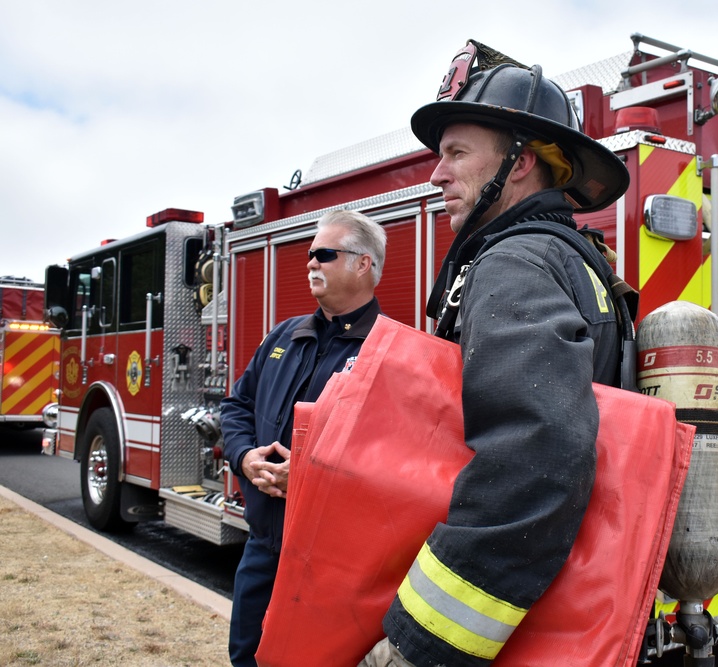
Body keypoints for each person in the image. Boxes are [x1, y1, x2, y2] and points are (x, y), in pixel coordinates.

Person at [360, 40, 631, 667]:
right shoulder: (573, 257)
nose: (436, 173)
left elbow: (533, 460)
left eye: (456, 153)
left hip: (506, 625)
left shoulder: (514, 263)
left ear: (518, 164)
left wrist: (420, 646)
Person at [222, 209, 386, 667]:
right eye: (310, 255)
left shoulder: (389, 353)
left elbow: (394, 462)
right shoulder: (283, 336)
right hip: (264, 544)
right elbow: (237, 407)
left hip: (331, 561)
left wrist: (313, 477)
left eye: (324, 254)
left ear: (362, 264)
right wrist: (244, 457)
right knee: (246, 655)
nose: (311, 263)